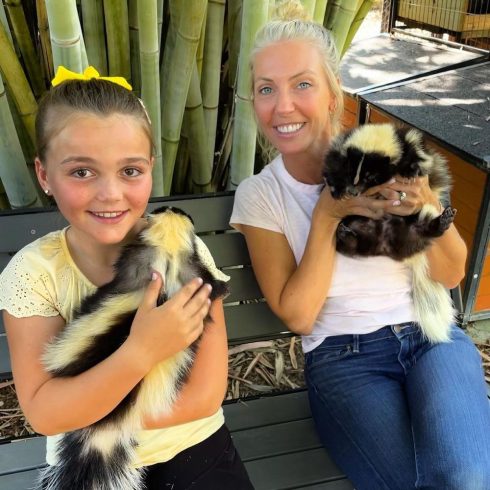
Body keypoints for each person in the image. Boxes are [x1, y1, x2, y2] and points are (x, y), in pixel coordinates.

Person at [229, 2, 490, 489]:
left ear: (333, 95)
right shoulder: (262, 195)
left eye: (302, 84)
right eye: (266, 89)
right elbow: (300, 315)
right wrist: (327, 215)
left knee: (465, 474)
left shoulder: (385, 151)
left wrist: (426, 209)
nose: (282, 105)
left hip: (429, 337)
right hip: (343, 360)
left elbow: (451, 275)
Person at [0, 66, 253, 490]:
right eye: (82, 172)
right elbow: (44, 413)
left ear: (151, 168)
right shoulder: (34, 274)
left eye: (130, 171)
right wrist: (140, 351)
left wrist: (86, 407)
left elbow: (206, 395)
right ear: (45, 175)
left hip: (195, 451)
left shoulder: (179, 249)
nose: (111, 194)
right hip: (87, 470)